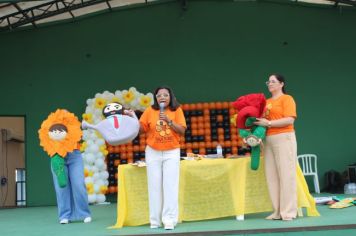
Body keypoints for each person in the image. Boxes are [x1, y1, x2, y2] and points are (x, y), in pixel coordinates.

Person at [126, 86, 186, 230]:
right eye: (159, 95)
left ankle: (169, 220)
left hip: (172, 152)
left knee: (170, 186)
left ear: (170, 97)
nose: (162, 97)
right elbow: (140, 130)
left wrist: (169, 121)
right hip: (153, 151)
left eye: (166, 95)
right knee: (154, 186)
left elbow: (182, 131)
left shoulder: (176, 110)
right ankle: (155, 220)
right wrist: (132, 118)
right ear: (156, 98)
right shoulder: (150, 111)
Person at [254, 74, 298, 221]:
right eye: (268, 82)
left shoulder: (287, 99)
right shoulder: (266, 102)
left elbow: (290, 119)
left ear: (281, 84)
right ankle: (277, 211)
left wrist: (269, 124)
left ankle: (289, 212)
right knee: (272, 176)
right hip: (268, 140)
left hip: (284, 137)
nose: (270, 84)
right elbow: (262, 122)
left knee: (286, 175)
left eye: (273, 81)